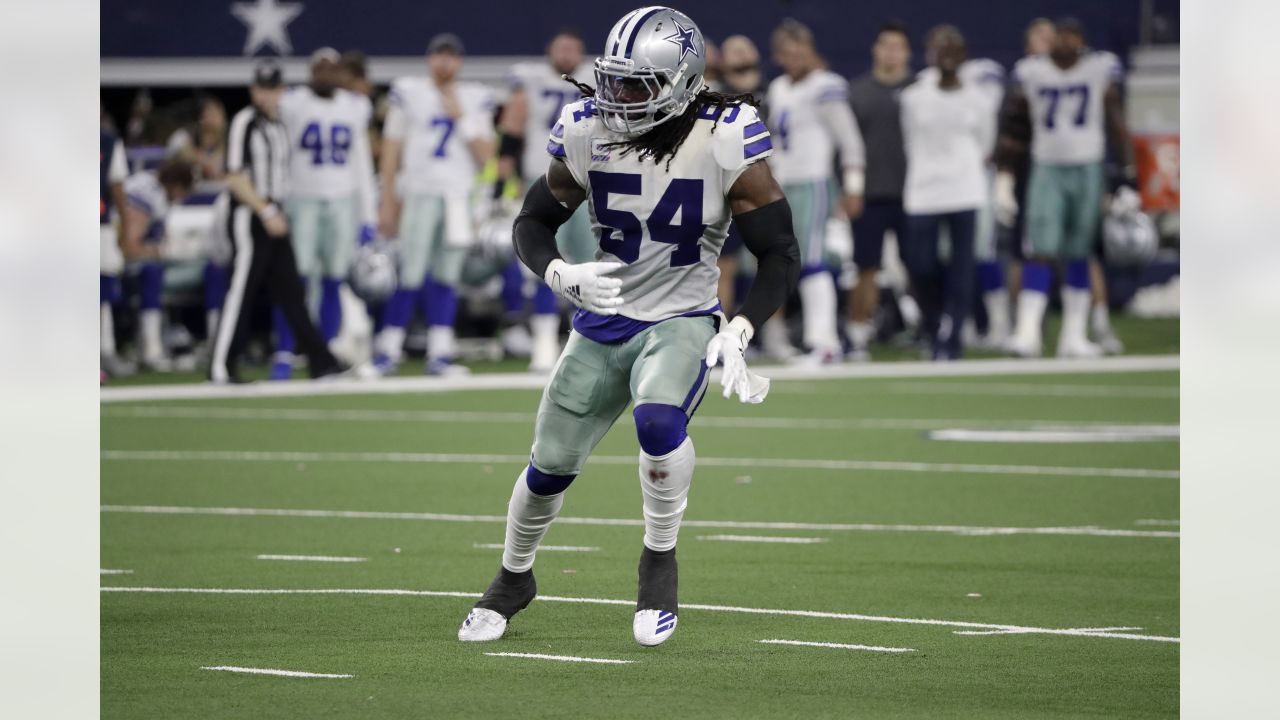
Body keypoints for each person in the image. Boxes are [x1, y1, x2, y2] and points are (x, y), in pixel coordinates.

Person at [457, 6, 798, 647]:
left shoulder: (725, 135)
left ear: (683, 82)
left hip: (680, 316)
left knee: (659, 423)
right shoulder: (586, 127)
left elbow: (779, 250)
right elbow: (532, 222)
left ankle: (658, 563)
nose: (616, 98)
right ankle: (513, 578)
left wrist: (743, 326)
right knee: (548, 466)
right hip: (601, 321)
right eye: (611, 81)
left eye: (636, 85)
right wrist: (560, 273)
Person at [996, 18, 1134, 357]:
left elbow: (1116, 122)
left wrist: (1127, 178)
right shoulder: (1032, 72)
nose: (1066, 43)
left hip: (1088, 166)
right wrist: (1005, 176)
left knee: (1080, 252)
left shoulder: (1099, 69)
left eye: (1073, 37)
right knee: (1039, 249)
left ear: (1083, 41)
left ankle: (1073, 335)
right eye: (1062, 36)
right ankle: (1028, 333)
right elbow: (1015, 127)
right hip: (1046, 166)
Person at [208, 60, 345, 384]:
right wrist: (265, 210)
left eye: (272, 89)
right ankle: (220, 366)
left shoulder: (280, 124)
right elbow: (233, 176)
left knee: (292, 292)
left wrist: (278, 212)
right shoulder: (246, 122)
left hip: (276, 215)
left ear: (281, 91)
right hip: (250, 214)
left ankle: (321, 362)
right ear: (253, 90)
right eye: (261, 89)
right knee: (241, 290)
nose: (265, 96)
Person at [374, 34, 496, 376]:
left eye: (451, 56)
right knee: (409, 271)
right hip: (418, 191)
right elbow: (391, 148)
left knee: (447, 274)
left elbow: (486, 154)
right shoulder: (409, 92)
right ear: (429, 60)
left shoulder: (474, 97)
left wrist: (462, 116)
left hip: (458, 196)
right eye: (439, 56)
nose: (445, 63)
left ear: (459, 62)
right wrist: (387, 198)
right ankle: (388, 350)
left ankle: (439, 353)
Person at [272, 48, 377, 378]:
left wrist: (367, 215)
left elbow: (361, 161)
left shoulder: (354, 106)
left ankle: (327, 350)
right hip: (302, 198)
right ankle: (285, 352)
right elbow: (280, 154)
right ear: (310, 71)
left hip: (342, 198)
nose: (326, 75)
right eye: (320, 69)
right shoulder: (293, 103)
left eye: (332, 69)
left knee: (334, 278)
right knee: (295, 280)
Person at [767, 19, 866, 365]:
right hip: (783, 183)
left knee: (810, 258)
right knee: (785, 260)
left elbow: (849, 139)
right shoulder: (780, 87)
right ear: (779, 56)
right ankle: (811, 340)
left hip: (815, 181)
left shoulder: (826, 85)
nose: (796, 59)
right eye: (789, 53)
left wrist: (853, 186)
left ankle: (823, 342)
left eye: (801, 52)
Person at [497, 29, 594, 372]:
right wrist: (499, 182)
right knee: (546, 263)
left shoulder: (596, 78)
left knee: (590, 265)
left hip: (587, 186)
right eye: (561, 47)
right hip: (545, 184)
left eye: (573, 48)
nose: (567, 53)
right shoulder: (531, 79)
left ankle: (588, 341)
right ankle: (543, 342)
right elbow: (512, 127)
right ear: (550, 51)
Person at [900, 26, 994, 360]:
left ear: (964, 54)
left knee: (962, 266)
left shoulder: (980, 98)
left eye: (954, 48)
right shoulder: (914, 96)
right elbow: (910, 141)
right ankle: (935, 320)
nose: (947, 54)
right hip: (924, 191)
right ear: (929, 54)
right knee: (920, 263)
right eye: (940, 48)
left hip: (966, 189)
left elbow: (986, 143)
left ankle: (953, 336)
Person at [846, 20, 913, 360]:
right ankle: (858, 333)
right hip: (870, 194)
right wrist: (849, 189)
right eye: (885, 44)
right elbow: (845, 147)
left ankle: (925, 327)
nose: (890, 52)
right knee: (866, 267)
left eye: (897, 46)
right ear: (875, 48)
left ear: (907, 52)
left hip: (915, 194)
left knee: (921, 264)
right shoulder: (857, 92)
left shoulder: (920, 89)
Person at [119, 158, 195, 371]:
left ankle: (156, 342)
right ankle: (150, 348)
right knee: (152, 272)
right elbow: (128, 246)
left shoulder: (158, 193)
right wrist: (163, 252)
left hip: (126, 261)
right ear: (177, 185)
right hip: (113, 262)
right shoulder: (146, 193)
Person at [100, 127, 133, 379]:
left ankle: (105, 350)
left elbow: (117, 185)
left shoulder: (108, 141)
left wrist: (125, 223)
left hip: (99, 223)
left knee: (103, 287)